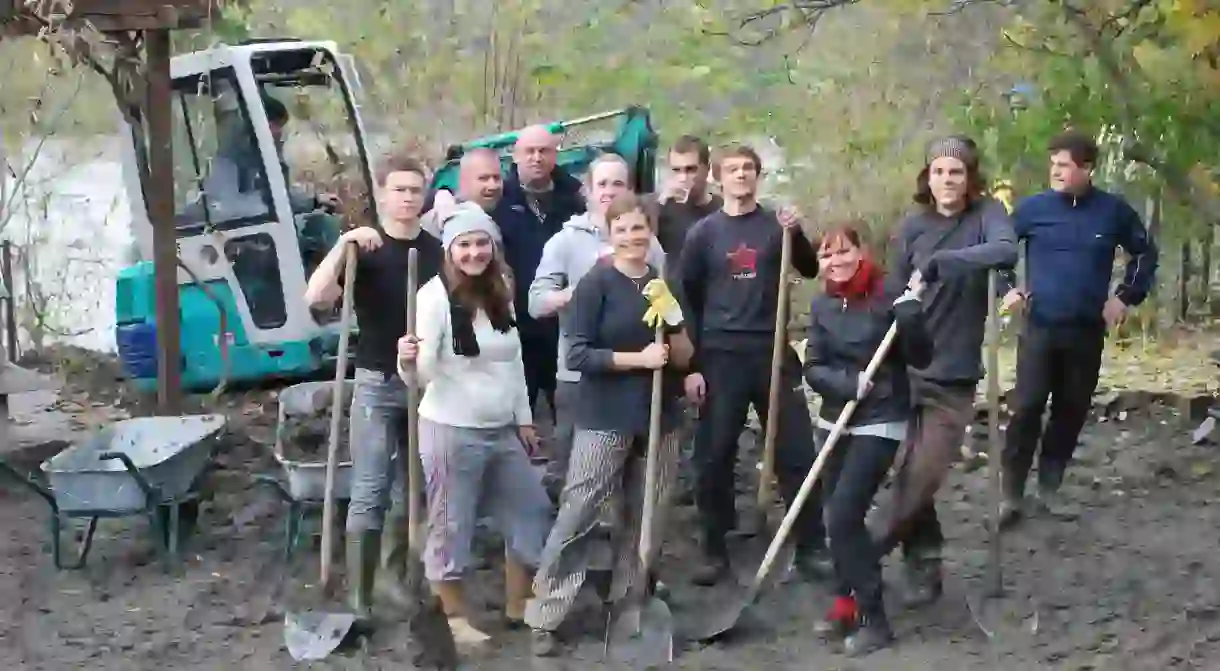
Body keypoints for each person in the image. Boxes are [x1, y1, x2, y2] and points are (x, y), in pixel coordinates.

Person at [525, 192, 693, 657]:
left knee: (645, 516)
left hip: (660, 415)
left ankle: (628, 603)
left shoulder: (661, 281)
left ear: (650, 232)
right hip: (604, 416)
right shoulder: (595, 284)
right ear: (609, 233)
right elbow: (578, 354)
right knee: (580, 510)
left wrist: (674, 323)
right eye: (623, 229)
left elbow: (682, 356)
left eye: (640, 228)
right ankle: (546, 612)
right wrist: (637, 358)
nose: (633, 237)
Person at [395, 203, 553, 644]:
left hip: (501, 428)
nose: (474, 252)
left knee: (532, 508)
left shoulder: (501, 287)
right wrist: (408, 359)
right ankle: (452, 617)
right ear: (449, 250)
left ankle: (520, 602)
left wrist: (523, 418)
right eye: (464, 244)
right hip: (451, 429)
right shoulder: (432, 297)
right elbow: (421, 375)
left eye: (482, 243)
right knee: (453, 521)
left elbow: (514, 359)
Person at [678, 143, 829, 586]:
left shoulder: (775, 225)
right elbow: (688, 299)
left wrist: (797, 232)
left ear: (758, 176)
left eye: (748, 168)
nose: (741, 175)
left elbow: (809, 268)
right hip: (720, 356)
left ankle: (811, 543)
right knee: (714, 454)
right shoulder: (704, 234)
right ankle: (714, 547)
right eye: (732, 169)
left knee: (796, 450)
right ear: (718, 179)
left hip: (773, 352)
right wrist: (692, 365)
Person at [303, 152, 443, 622]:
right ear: (381, 194)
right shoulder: (365, 248)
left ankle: (393, 578)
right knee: (370, 487)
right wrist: (343, 243)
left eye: (414, 190)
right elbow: (316, 298)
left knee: (415, 488)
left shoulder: (435, 252)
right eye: (398, 190)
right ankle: (358, 597)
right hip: (376, 382)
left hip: (423, 386)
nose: (407, 198)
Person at [878, 135, 1018, 608]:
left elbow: (1004, 251)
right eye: (938, 171)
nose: (946, 180)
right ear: (927, 177)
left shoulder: (987, 217)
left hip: (953, 374)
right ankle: (924, 561)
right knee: (899, 470)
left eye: (956, 172)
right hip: (904, 367)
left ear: (970, 177)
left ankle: (867, 555)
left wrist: (945, 263)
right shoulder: (913, 226)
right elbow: (893, 290)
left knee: (922, 474)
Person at [998, 129, 1158, 525]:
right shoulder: (1033, 210)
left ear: (1087, 168)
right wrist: (1008, 289)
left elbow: (1144, 254)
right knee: (1027, 407)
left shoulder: (1113, 211)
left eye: (1064, 165)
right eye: (1052, 164)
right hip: (1039, 327)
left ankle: (1049, 488)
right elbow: (998, 250)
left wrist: (1124, 297)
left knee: (1070, 410)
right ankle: (1010, 494)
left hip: (1086, 330)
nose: (1055, 171)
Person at [803, 225, 932, 657]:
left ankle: (875, 619)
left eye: (844, 252)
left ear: (861, 253)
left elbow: (921, 356)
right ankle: (845, 603)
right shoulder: (821, 303)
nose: (836, 262)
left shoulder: (888, 294)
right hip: (835, 419)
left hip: (881, 418)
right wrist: (847, 383)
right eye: (828, 255)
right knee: (832, 517)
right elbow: (813, 366)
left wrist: (911, 319)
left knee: (843, 516)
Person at [528, 153, 665, 501]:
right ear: (587, 190)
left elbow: (667, 302)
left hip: (634, 378)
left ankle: (616, 549)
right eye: (601, 183)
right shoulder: (566, 241)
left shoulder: (649, 245)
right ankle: (557, 540)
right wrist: (581, 292)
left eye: (617, 183)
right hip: (579, 375)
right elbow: (535, 303)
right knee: (569, 468)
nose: (609, 191)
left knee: (622, 477)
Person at [492, 125, 587, 420]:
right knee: (516, 416)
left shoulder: (575, 198)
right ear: (515, 156)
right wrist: (442, 195)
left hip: (564, 324)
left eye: (543, 151)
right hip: (516, 324)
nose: (536, 158)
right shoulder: (499, 199)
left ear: (555, 155)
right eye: (529, 151)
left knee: (570, 417)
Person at [653, 135, 723, 505]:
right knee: (670, 405)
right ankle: (669, 479)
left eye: (691, 169)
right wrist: (660, 207)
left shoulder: (721, 212)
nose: (684, 178)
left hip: (714, 316)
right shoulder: (660, 212)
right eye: (677, 169)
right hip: (669, 316)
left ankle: (705, 486)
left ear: (706, 170)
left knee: (710, 407)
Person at [421, 147, 505, 237]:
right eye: (483, 178)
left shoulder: (512, 212)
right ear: (464, 181)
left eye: (496, 178)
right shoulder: (436, 222)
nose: (492, 185)